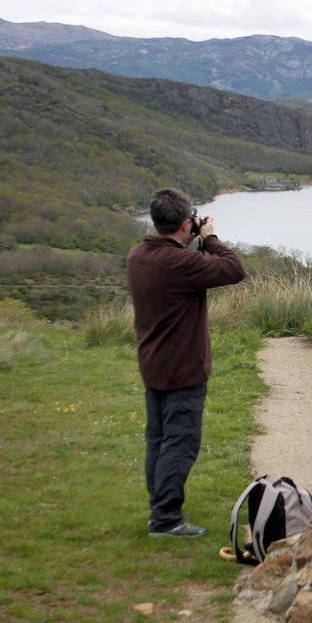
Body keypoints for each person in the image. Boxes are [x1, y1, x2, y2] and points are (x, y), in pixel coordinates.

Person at [127, 188, 245, 537]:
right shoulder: (180, 263)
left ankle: (159, 508)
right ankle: (166, 519)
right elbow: (234, 269)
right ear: (185, 223)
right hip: (183, 368)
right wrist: (210, 238)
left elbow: (178, 258)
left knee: (158, 440)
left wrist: (191, 239)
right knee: (180, 442)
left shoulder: (139, 256)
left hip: (153, 363)